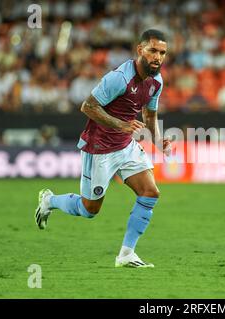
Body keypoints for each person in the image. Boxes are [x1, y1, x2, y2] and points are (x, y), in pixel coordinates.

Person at [34, 29, 171, 268]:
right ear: (140, 50)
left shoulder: (156, 82)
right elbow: (88, 107)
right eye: (153, 51)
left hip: (126, 146)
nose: (157, 57)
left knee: (150, 192)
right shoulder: (118, 78)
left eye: (162, 52)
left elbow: (150, 114)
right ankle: (50, 200)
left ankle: (126, 254)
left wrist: (157, 140)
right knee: (89, 210)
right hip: (99, 148)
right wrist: (122, 124)